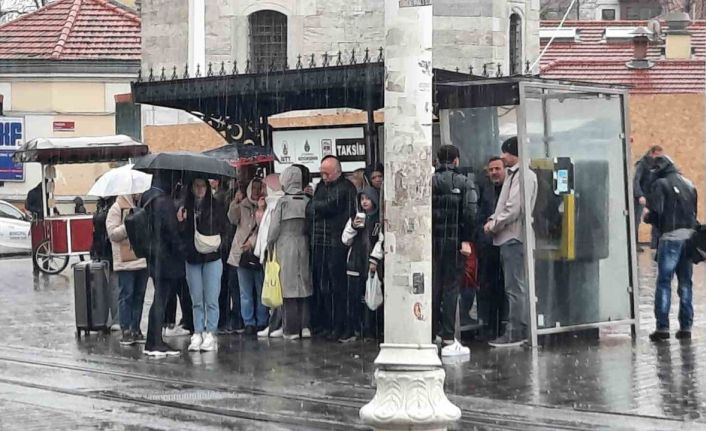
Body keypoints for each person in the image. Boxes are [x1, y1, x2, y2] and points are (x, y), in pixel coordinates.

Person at [484, 137, 537, 348]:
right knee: (514, 287)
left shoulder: (522, 175)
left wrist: (494, 224)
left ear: (511, 153)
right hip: (510, 236)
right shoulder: (516, 175)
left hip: (513, 237)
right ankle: (516, 328)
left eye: (504, 152)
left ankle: (516, 331)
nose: (502, 156)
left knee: (515, 287)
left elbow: (514, 208)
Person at [644, 156, 698, 341]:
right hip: (689, 238)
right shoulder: (689, 184)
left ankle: (662, 328)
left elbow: (657, 213)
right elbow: (693, 212)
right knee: (685, 283)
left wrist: (647, 217)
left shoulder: (661, 184)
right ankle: (686, 326)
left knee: (664, 282)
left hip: (670, 238)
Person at [432, 145, 479, 346]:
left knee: (434, 287)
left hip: (432, 244)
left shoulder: (428, 182)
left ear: (437, 160)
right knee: (451, 287)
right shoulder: (465, 183)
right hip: (454, 243)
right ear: (457, 160)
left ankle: (431, 332)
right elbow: (470, 214)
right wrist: (466, 239)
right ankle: (449, 335)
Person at [306, 156, 357, 340]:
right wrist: (319, 207)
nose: (324, 176)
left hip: (337, 242)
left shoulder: (346, 188)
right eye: (322, 173)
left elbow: (331, 206)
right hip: (319, 242)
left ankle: (341, 324)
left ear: (338, 171)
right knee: (322, 285)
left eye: (327, 173)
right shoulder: (320, 186)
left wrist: (319, 207)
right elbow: (311, 208)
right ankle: (326, 323)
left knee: (338, 288)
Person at [141, 173, 185, 357]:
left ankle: (152, 340)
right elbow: (171, 233)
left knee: (158, 299)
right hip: (166, 259)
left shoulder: (147, 200)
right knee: (161, 300)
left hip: (154, 257)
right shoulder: (164, 203)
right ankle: (156, 343)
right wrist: (180, 226)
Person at [462, 157, 506, 339]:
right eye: (491, 169)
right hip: (488, 247)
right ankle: (489, 325)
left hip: (505, 244)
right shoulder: (486, 190)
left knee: (505, 288)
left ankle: (502, 325)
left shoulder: (509, 190)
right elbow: (478, 216)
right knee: (488, 287)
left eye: (497, 168)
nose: (494, 172)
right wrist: (481, 236)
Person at [267, 166, 313, 340]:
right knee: (304, 284)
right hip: (303, 242)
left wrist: (269, 245)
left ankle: (291, 328)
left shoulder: (283, 202)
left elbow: (274, 229)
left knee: (287, 287)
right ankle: (306, 326)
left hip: (285, 245)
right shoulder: (307, 200)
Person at [106, 194, 149, 346]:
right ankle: (126, 329)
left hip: (142, 259)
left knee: (139, 296)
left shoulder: (144, 205)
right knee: (127, 294)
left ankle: (136, 328)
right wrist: (129, 225)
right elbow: (112, 233)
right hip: (125, 261)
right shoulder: (117, 208)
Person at [228, 178, 268, 336]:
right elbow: (232, 218)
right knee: (244, 291)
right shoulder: (243, 204)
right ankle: (248, 322)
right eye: (254, 187)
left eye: (259, 188)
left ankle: (262, 320)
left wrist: (261, 209)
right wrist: (235, 203)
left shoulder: (266, 206)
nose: (256, 191)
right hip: (241, 254)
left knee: (260, 290)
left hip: (258, 252)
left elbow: (264, 228)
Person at [341, 186, 382, 343]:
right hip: (355, 263)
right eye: (362, 199)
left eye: (367, 198)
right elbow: (345, 240)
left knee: (371, 296)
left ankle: (370, 330)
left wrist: (374, 259)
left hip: (371, 263)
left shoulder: (378, 219)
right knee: (353, 297)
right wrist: (353, 227)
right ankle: (354, 328)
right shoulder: (355, 218)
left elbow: (381, 239)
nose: (365, 202)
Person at [254, 174, 285, 338]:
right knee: (271, 289)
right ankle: (273, 324)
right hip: (269, 253)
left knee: (277, 290)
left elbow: (272, 231)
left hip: (275, 253)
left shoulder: (277, 204)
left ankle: (278, 324)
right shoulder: (270, 205)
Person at [91, 196, 119, 331]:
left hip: (110, 251)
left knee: (113, 286)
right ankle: (104, 317)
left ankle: (116, 319)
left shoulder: (116, 206)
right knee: (103, 286)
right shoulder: (101, 205)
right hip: (100, 249)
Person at [634, 145, 664, 250]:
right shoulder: (642, 164)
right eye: (657, 155)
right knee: (636, 220)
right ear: (652, 153)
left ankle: (655, 243)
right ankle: (634, 244)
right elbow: (636, 180)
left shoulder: (658, 165)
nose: (659, 157)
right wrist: (639, 195)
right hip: (642, 196)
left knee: (656, 218)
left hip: (652, 196)